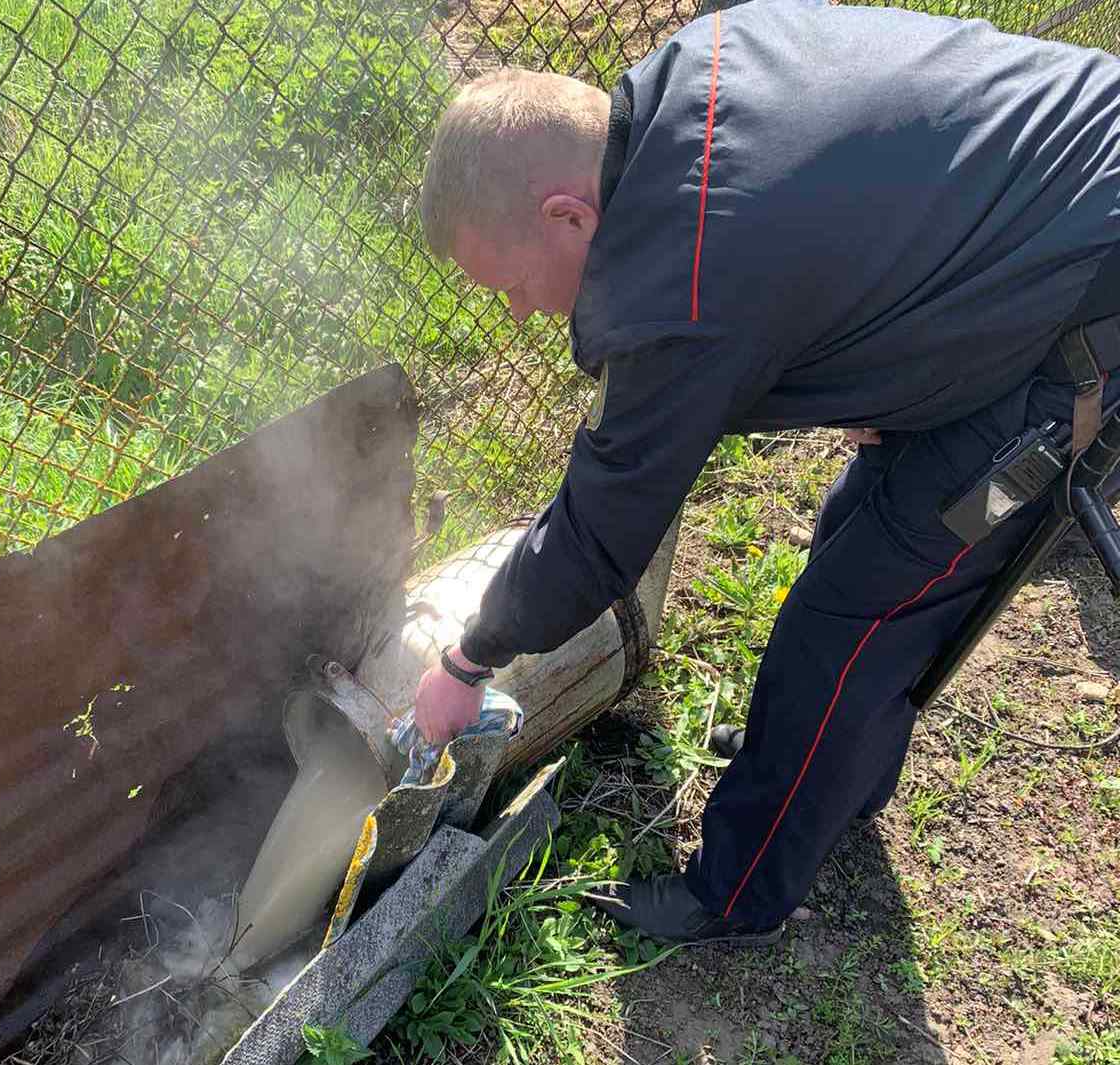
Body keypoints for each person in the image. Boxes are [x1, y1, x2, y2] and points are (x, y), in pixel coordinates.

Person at [413, 0, 1120, 944]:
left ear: (566, 214)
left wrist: (469, 658)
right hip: (1034, 225)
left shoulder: (687, 273)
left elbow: (596, 534)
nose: (518, 315)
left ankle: (736, 892)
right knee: (857, 529)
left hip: (1082, 313)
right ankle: (834, 773)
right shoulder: (693, 71)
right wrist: (896, 368)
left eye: (509, 286)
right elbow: (848, 218)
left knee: (847, 621)